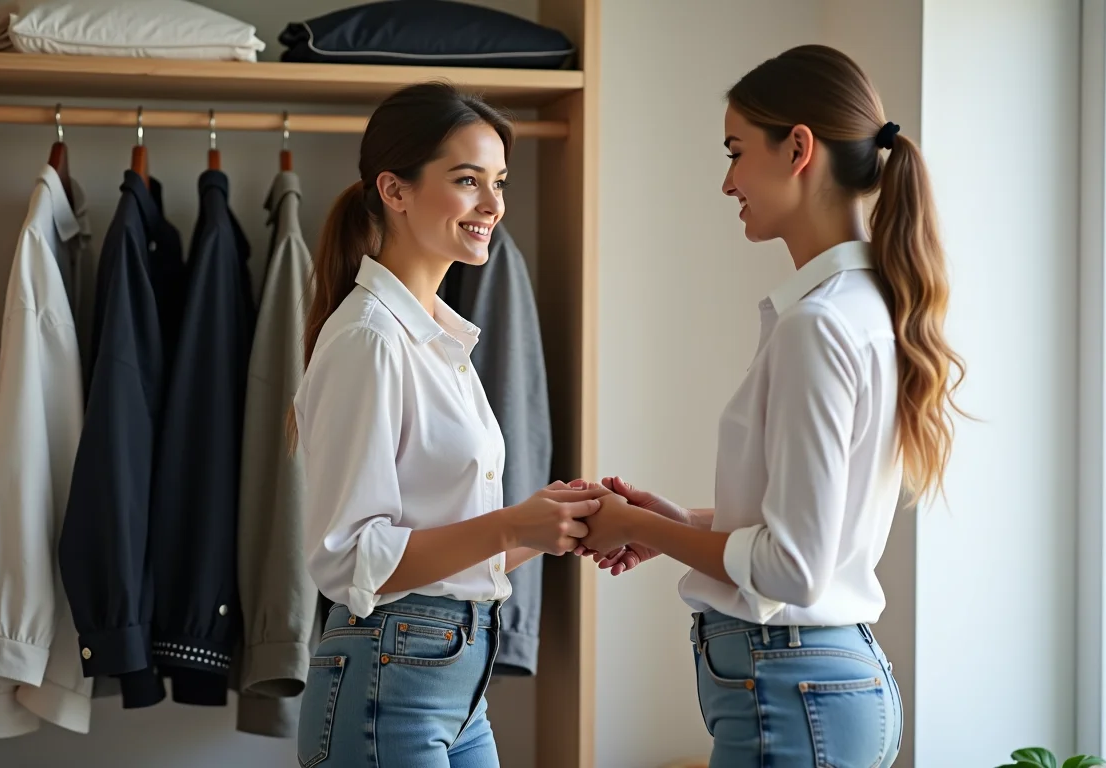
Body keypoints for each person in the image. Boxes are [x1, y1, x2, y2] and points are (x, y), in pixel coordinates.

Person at [575, 44, 965, 766]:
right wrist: (670, 522)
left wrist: (632, 522)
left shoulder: (817, 324)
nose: (727, 182)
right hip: (819, 689)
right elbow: (809, 529)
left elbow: (793, 567)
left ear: (798, 149)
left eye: (735, 151)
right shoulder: (862, 308)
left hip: (793, 689)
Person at [291, 82, 606, 767]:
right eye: (468, 181)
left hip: (454, 680)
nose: (493, 205)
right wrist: (511, 526)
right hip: (389, 674)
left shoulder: (440, 340)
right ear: (395, 191)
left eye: (498, 182)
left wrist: (557, 525)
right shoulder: (371, 340)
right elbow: (351, 558)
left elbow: (446, 557)